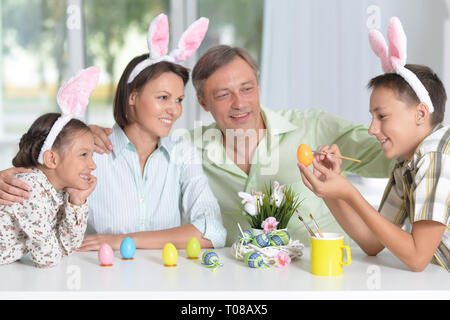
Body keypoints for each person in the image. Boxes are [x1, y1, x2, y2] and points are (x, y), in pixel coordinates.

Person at [81, 44, 396, 246]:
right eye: (223, 95)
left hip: (327, 273)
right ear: (204, 103)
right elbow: (141, 136)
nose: (240, 103)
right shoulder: (185, 149)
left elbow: (393, 157)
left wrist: (417, 127)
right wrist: (87, 137)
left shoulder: (313, 126)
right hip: (238, 283)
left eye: (247, 89)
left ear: (258, 86)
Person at [0, 14, 226, 251]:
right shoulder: (91, 152)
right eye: (163, 97)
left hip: (165, 278)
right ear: (132, 96)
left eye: (179, 99)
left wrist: (122, 240)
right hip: (96, 276)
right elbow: (38, 193)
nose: (174, 109)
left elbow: (213, 231)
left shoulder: (182, 152)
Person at [298, 18, 449, 272]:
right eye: (372, 117)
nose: (371, 129)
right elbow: (372, 242)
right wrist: (331, 190)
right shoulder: (406, 163)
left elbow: (416, 258)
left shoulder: (436, 156)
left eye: (382, 116)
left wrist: (351, 193)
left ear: (420, 114)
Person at [0, 66, 99, 267]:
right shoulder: (30, 189)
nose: (92, 165)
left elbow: (66, 247)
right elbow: (47, 258)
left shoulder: (59, 192)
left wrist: (77, 201)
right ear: (52, 159)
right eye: (83, 155)